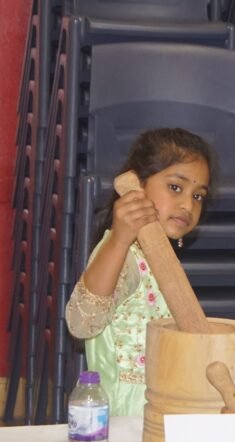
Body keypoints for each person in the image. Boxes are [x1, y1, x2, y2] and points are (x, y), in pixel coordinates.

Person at [66, 128, 216, 416]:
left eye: (198, 196)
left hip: (163, 408)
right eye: (175, 187)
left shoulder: (158, 258)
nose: (188, 204)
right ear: (138, 186)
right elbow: (81, 323)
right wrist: (119, 240)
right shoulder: (124, 256)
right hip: (129, 419)